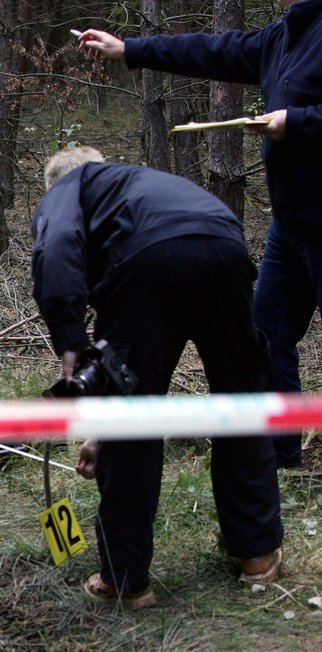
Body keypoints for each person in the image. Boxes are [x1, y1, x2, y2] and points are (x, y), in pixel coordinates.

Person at [33, 147, 283, 610]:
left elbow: (56, 246)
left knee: (133, 418)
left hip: (146, 263)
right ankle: (258, 557)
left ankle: (126, 581)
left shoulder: (72, 183)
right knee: (241, 400)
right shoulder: (145, 182)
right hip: (225, 245)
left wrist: (70, 341)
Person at [74, 1, 321, 469]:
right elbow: (214, 50)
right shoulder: (283, 36)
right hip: (291, 227)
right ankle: (278, 454)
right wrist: (130, 49)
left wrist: (299, 122)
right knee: (265, 336)